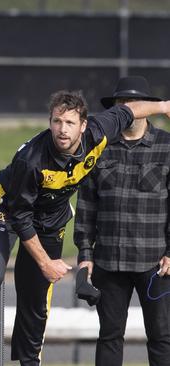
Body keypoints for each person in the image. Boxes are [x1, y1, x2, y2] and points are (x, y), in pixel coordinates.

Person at [0, 89, 170, 366]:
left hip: (52, 215)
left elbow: (131, 110)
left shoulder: (99, 133)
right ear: (50, 122)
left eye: (69, 123)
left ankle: (30, 362)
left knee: (37, 300)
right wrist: (44, 261)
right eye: (56, 122)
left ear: (84, 126)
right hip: (10, 207)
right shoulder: (31, 161)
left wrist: (163, 106)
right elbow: (21, 217)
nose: (62, 130)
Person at [74, 76, 170, 366]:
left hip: (155, 264)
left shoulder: (167, 146)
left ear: (149, 108)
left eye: (134, 103)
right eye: (121, 103)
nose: (128, 108)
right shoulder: (99, 146)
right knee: (109, 336)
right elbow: (86, 203)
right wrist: (85, 254)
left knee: (162, 337)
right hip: (108, 261)